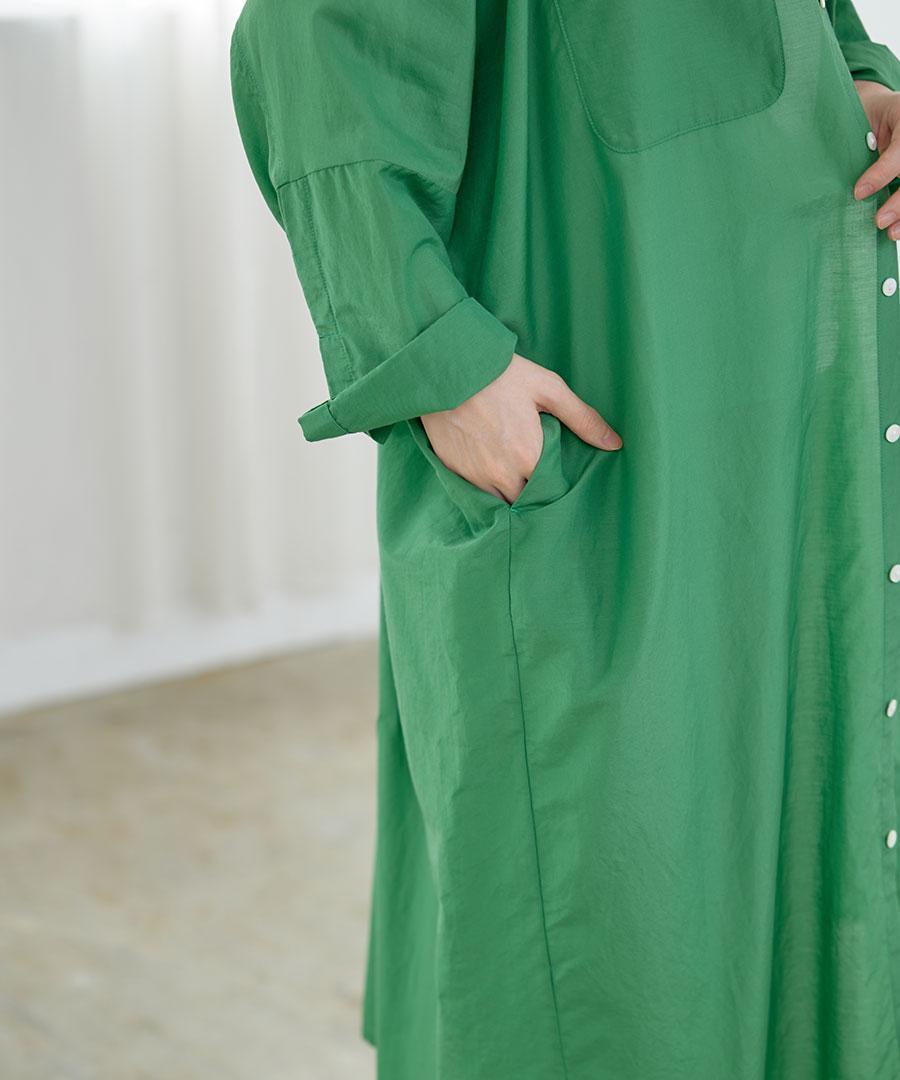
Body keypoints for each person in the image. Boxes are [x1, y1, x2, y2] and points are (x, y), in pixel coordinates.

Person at [229, 0, 900, 1075]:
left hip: (783, 392)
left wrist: (855, 77)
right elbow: (311, 38)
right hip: (605, 388)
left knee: (795, 844)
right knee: (605, 912)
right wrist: (436, 359)